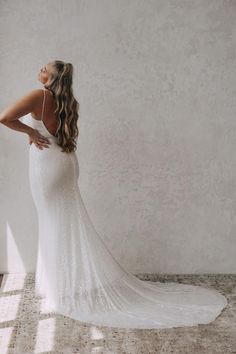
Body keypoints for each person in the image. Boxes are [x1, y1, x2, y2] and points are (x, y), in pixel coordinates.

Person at [0, 60, 228, 329]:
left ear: (52, 77)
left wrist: (29, 131)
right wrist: (33, 132)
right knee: (62, 223)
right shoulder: (67, 101)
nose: (40, 69)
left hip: (46, 166)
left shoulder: (39, 95)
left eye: (44, 68)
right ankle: (62, 285)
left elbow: (5, 117)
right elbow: (61, 134)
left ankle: (60, 289)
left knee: (53, 222)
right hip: (65, 162)